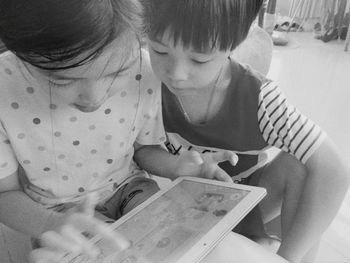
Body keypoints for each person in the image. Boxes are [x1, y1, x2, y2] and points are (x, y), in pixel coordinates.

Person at [0, 0, 238, 262]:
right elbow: (5, 194)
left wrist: (177, 167)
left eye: (116, 72)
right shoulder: (4, 85)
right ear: (23, 54)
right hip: (53, 210)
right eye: (62, 79)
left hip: (129, 187)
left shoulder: (143, 68)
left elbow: (143, 149)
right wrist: (48, 223)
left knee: (183, 241)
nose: (95, 98)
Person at [140, 0, 350, 262]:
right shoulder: (145, 83)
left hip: (248, 206)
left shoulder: (261, 98)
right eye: (159, 51)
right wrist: (175, 166)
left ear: (233, 44)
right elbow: (140, 150)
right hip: (183, 209)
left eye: (199, 58)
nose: (176, 74)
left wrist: (286, 258)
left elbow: (334, 171)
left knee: (300, 165)